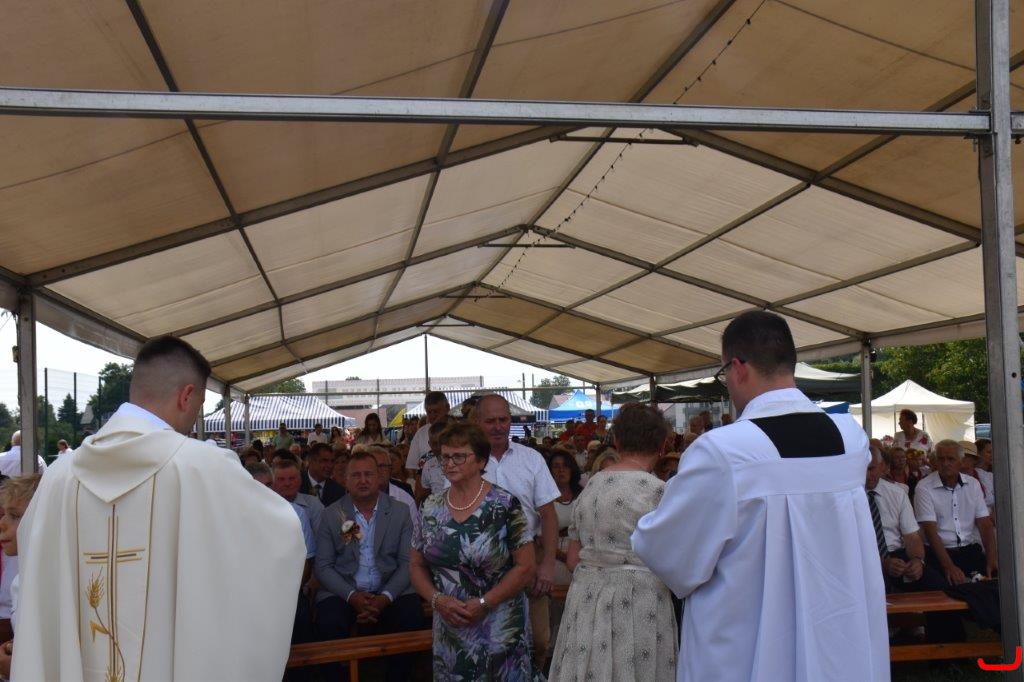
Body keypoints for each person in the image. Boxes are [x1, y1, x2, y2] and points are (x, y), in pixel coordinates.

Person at [13, 336, 305, 680]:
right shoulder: (204, 468)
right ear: (186, 396)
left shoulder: (58, 478)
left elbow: (34, 577)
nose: (193, 418)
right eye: (198, 406)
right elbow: (282, 537)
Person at [632, 311, 888, 681]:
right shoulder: (851, 439)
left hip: (750, 651)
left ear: (737, 368)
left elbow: (668, 553)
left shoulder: (722, 452)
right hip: (839, 641)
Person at [550, 403, 677, 681]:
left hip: (586, 597)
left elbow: (572, 560)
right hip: (641, 600)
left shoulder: (590, 488)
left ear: (617, 441)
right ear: (662, 444)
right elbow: (676, 563)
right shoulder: (660, 492)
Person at [410, 422, 538, 680]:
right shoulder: (431, 506)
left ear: (481, 461)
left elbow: (526, 567)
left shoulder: (504, 505)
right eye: (445, 457)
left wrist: (484, 603)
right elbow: (416, 564)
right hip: (450, 628)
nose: (450, 464)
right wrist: (437, 600)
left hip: (499, 629)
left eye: (459, 456)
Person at [315, 451, 423, 682]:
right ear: (345, 480)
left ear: (379, 477)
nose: (363, 480)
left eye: (368, 474)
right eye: (356, 475)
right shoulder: (332, 514)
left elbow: (407, 562)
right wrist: (352, 596)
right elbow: (323, 566)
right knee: (328, 621)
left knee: (411, 616)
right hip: (345, 588)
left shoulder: (400, 511)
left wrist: (385, 597)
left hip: (389, 586)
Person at [474, 394, 560, 667]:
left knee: (539, 640)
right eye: (490, 421)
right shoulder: (465, 461)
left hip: (530, 555)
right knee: (490, 642)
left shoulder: (531, 459)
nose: (498, 426)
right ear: (477, 422)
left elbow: (548, 515)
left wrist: (547, 564)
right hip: (482, 560)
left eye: (503, 419)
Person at [913, 440, 996, 585]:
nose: (945, 463)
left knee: (991, 586)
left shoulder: (973, 484)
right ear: (935, 462)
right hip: (937, 553)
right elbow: (930, 531)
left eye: (951, 459)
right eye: (941, 459)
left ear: (961, 462)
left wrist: (992, 559)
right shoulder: (924, 487)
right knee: (948, 588)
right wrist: (949, 567)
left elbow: (985, 525)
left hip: (969, 550)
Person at [865, 447, 936, 591]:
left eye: (871, 469)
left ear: (882, 467)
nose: (867, 475)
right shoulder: (844, 498)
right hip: (863, 560)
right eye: (862, 469)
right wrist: (881, 563)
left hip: (897, 557)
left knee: (937, 586)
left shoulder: (897, 493)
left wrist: (917, 561)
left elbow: (912, 537)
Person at [0, 474, 42, 678]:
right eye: (4, 514)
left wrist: (16, 667)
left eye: (15, 516)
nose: (2, 523)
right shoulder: (20, 579)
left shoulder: (47, 582)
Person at [547, 451, 583, 587]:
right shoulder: (543, 498)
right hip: (553, 554)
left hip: (581, 555)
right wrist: (564, 556)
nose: (561, 470)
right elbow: (540, 537)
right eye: (556, 466)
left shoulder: (583, 495)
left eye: (565, 466)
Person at [414, 420, 449, 504]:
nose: (438, 447)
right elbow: (425, 493)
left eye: (441, 443)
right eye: (434, 444)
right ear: (429, 444)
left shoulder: (460, 463)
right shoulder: (428, 465)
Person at [300, 442, 344, 506]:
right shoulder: (295, 484)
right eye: (324, 461)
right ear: (311, 461)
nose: (330, 466)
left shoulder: (338, 491)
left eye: (332, 461)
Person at [960, 440, 994, 517]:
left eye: (966, 456)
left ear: (974, 459)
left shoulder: (985, 475)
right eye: (960, 456)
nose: (962, 459)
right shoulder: (952, 478)